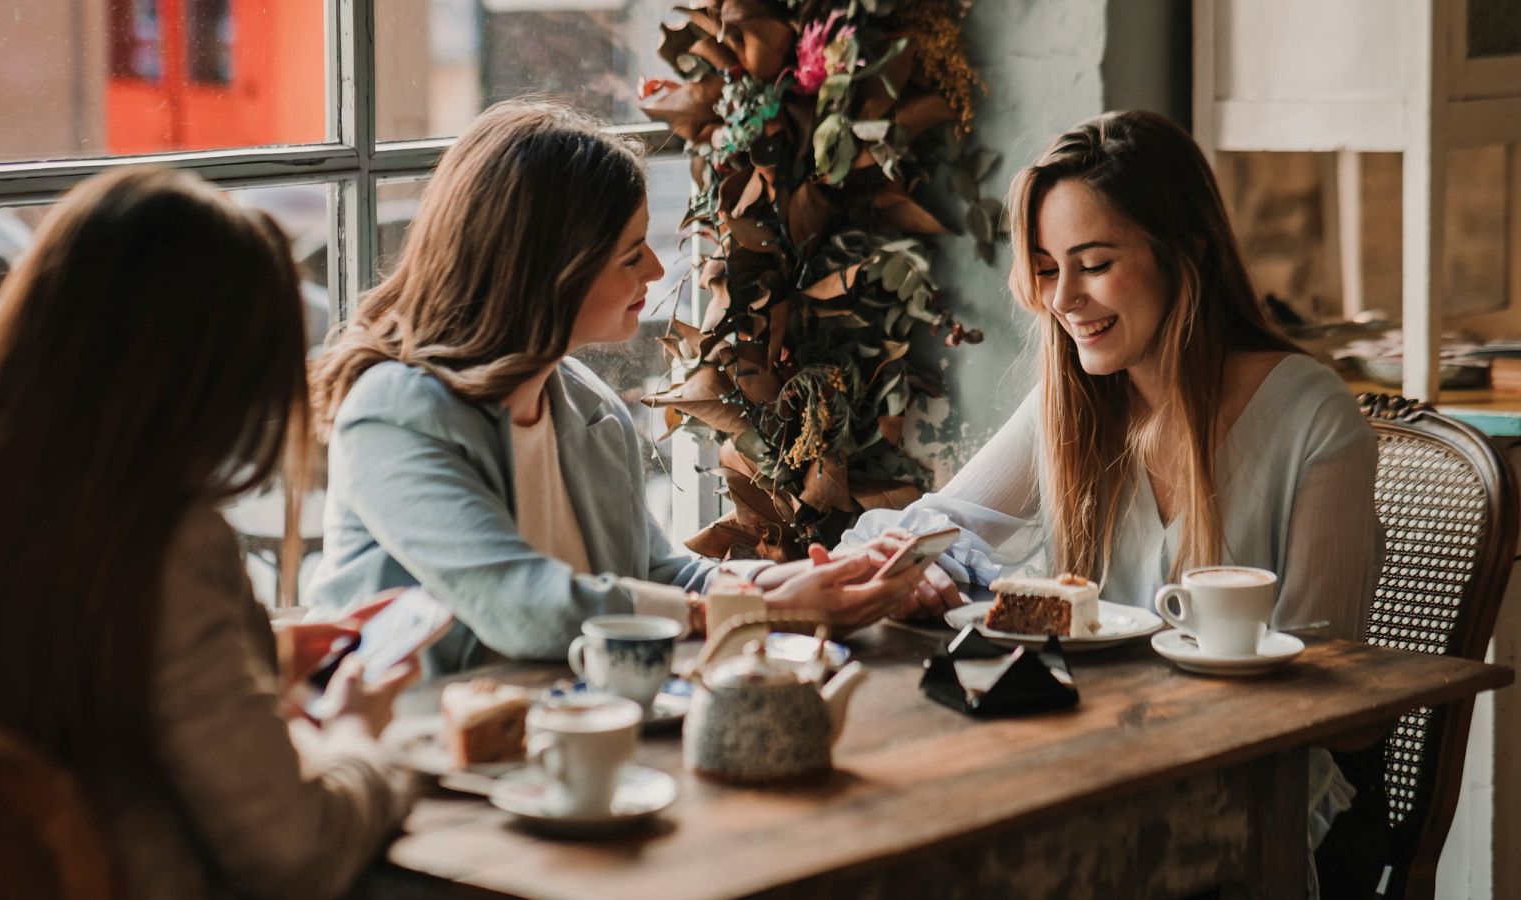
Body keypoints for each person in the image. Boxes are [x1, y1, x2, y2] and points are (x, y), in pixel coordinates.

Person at [844, 111, 1387, 898]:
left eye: (1094, 263)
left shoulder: (1311, 420)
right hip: (1098, 763)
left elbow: (1336, 699)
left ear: (1186, 251)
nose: (1064, 299)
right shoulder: (1075, 401)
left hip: (1254, 797)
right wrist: (915, 568)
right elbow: (933, 527)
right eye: (1044, 267)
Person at [0, 167, 416, 899]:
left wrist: (260, 655)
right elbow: (294, 854)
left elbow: (51, 671)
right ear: (211, 375)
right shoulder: (159, 541)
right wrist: (359, 739)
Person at [307, 100, 921, 674]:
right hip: (419, 748)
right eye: (631, 256)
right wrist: (762, 612)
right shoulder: (392, 413)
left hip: (576, 733)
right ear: (547, 273)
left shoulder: (584, 404)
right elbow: (523, 608)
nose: (655, 270)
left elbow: (656, 575)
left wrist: (785, 584)